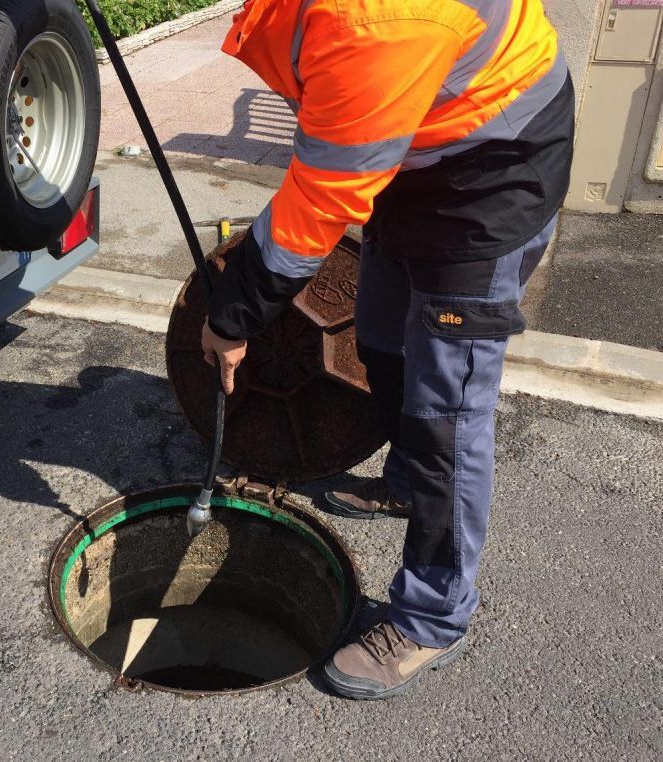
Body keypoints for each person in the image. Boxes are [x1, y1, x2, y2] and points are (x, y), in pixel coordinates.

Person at [200, 0, 574, 700]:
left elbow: (316, 203)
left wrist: (232, 318)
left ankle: (434, 617)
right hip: (414, 139)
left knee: (447, 416)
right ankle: (406, 485)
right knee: (379, 336)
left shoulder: (375, 18)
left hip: (494, 172)